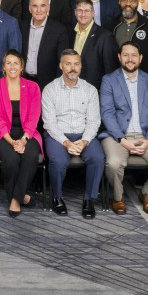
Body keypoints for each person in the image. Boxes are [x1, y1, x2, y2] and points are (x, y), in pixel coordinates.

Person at [99, 41, 148, 215]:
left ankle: (147, 193)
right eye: (125, 55)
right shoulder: (108, 80)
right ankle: (118, 197)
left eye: (134, 55)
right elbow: (107, 113)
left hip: (146, 135)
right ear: (119, 57)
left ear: (140, 58)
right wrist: (122, 140)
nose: (129, 59)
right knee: (114, 163)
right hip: (117, 135)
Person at [41, 49, 104, 219]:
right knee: (58, 160)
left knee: (97, 158)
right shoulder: (50, 89)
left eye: (76, 64)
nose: (72, 68)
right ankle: (57, 197)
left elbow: (93, 121)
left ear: (81, 66)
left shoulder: (90, 90)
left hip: (83, 134)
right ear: (61, 66)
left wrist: (84, 141)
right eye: (68, 64)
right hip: (58, 135)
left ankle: (89, 200)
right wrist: (66, 143)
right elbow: (49, 123)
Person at [0, 50, 41, 217]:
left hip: (27, 133)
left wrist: (23, 140)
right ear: (3, 67)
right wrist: (12, 142)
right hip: (1, 133)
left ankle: (15, 199)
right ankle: (21, 197)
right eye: (8, 63)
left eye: (16, 63)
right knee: (11, 159)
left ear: (22, 67)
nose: (12, 67)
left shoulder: (32, 87)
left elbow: (33, 117)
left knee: (30, 156)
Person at [19, 0, 70, 85]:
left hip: (48, 83)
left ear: (48, 8)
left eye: (43, 6)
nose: (39, 10)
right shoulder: (22, 27)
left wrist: (56, 85)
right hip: (24, 81)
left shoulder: (59, 30)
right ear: (29, 9)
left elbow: (62, 60)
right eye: (35, 6)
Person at [68, 0, 115, 89]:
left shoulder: (105, 36)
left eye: (87, 11)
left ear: (93, 13)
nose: (83, 14)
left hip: (95, 90)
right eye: (80, 10)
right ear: (75, 12)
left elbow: (110, 70)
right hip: (71, 87)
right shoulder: (69, 33)